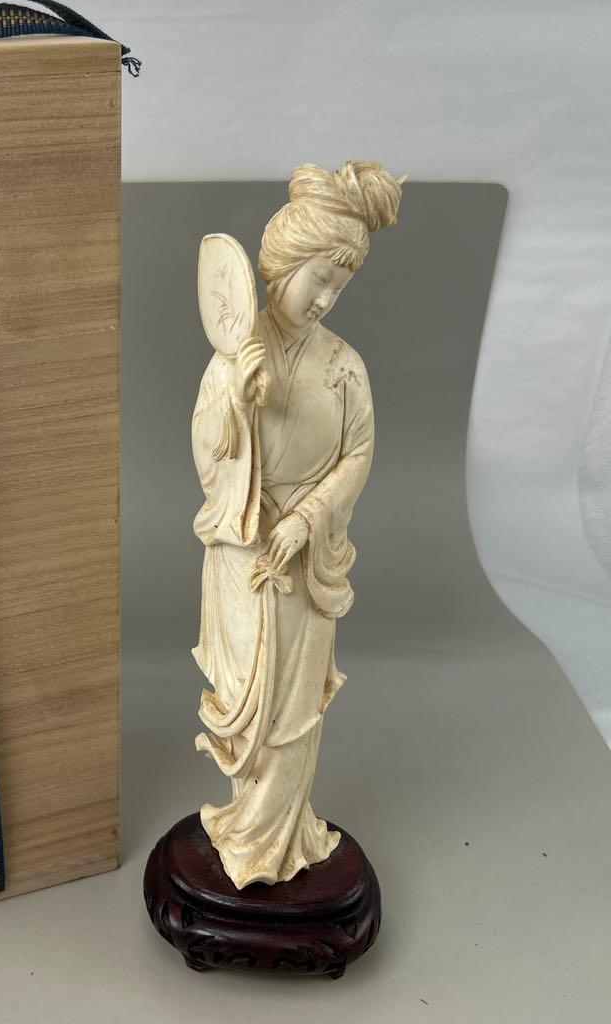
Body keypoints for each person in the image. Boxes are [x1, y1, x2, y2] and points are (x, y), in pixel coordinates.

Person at [191, 161, 403, 888]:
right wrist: (236, 399)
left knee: (293, 711)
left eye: (339, 287)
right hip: (246, 546)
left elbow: (359, 453)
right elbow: (207, 453)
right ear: (282, 266)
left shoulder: (344, 366)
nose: (325, 299)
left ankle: (280, 838)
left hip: (303, 556)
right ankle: (246, 823)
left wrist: (309, 519)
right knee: (248, 703)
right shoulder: (235, 354)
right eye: (319, 280)